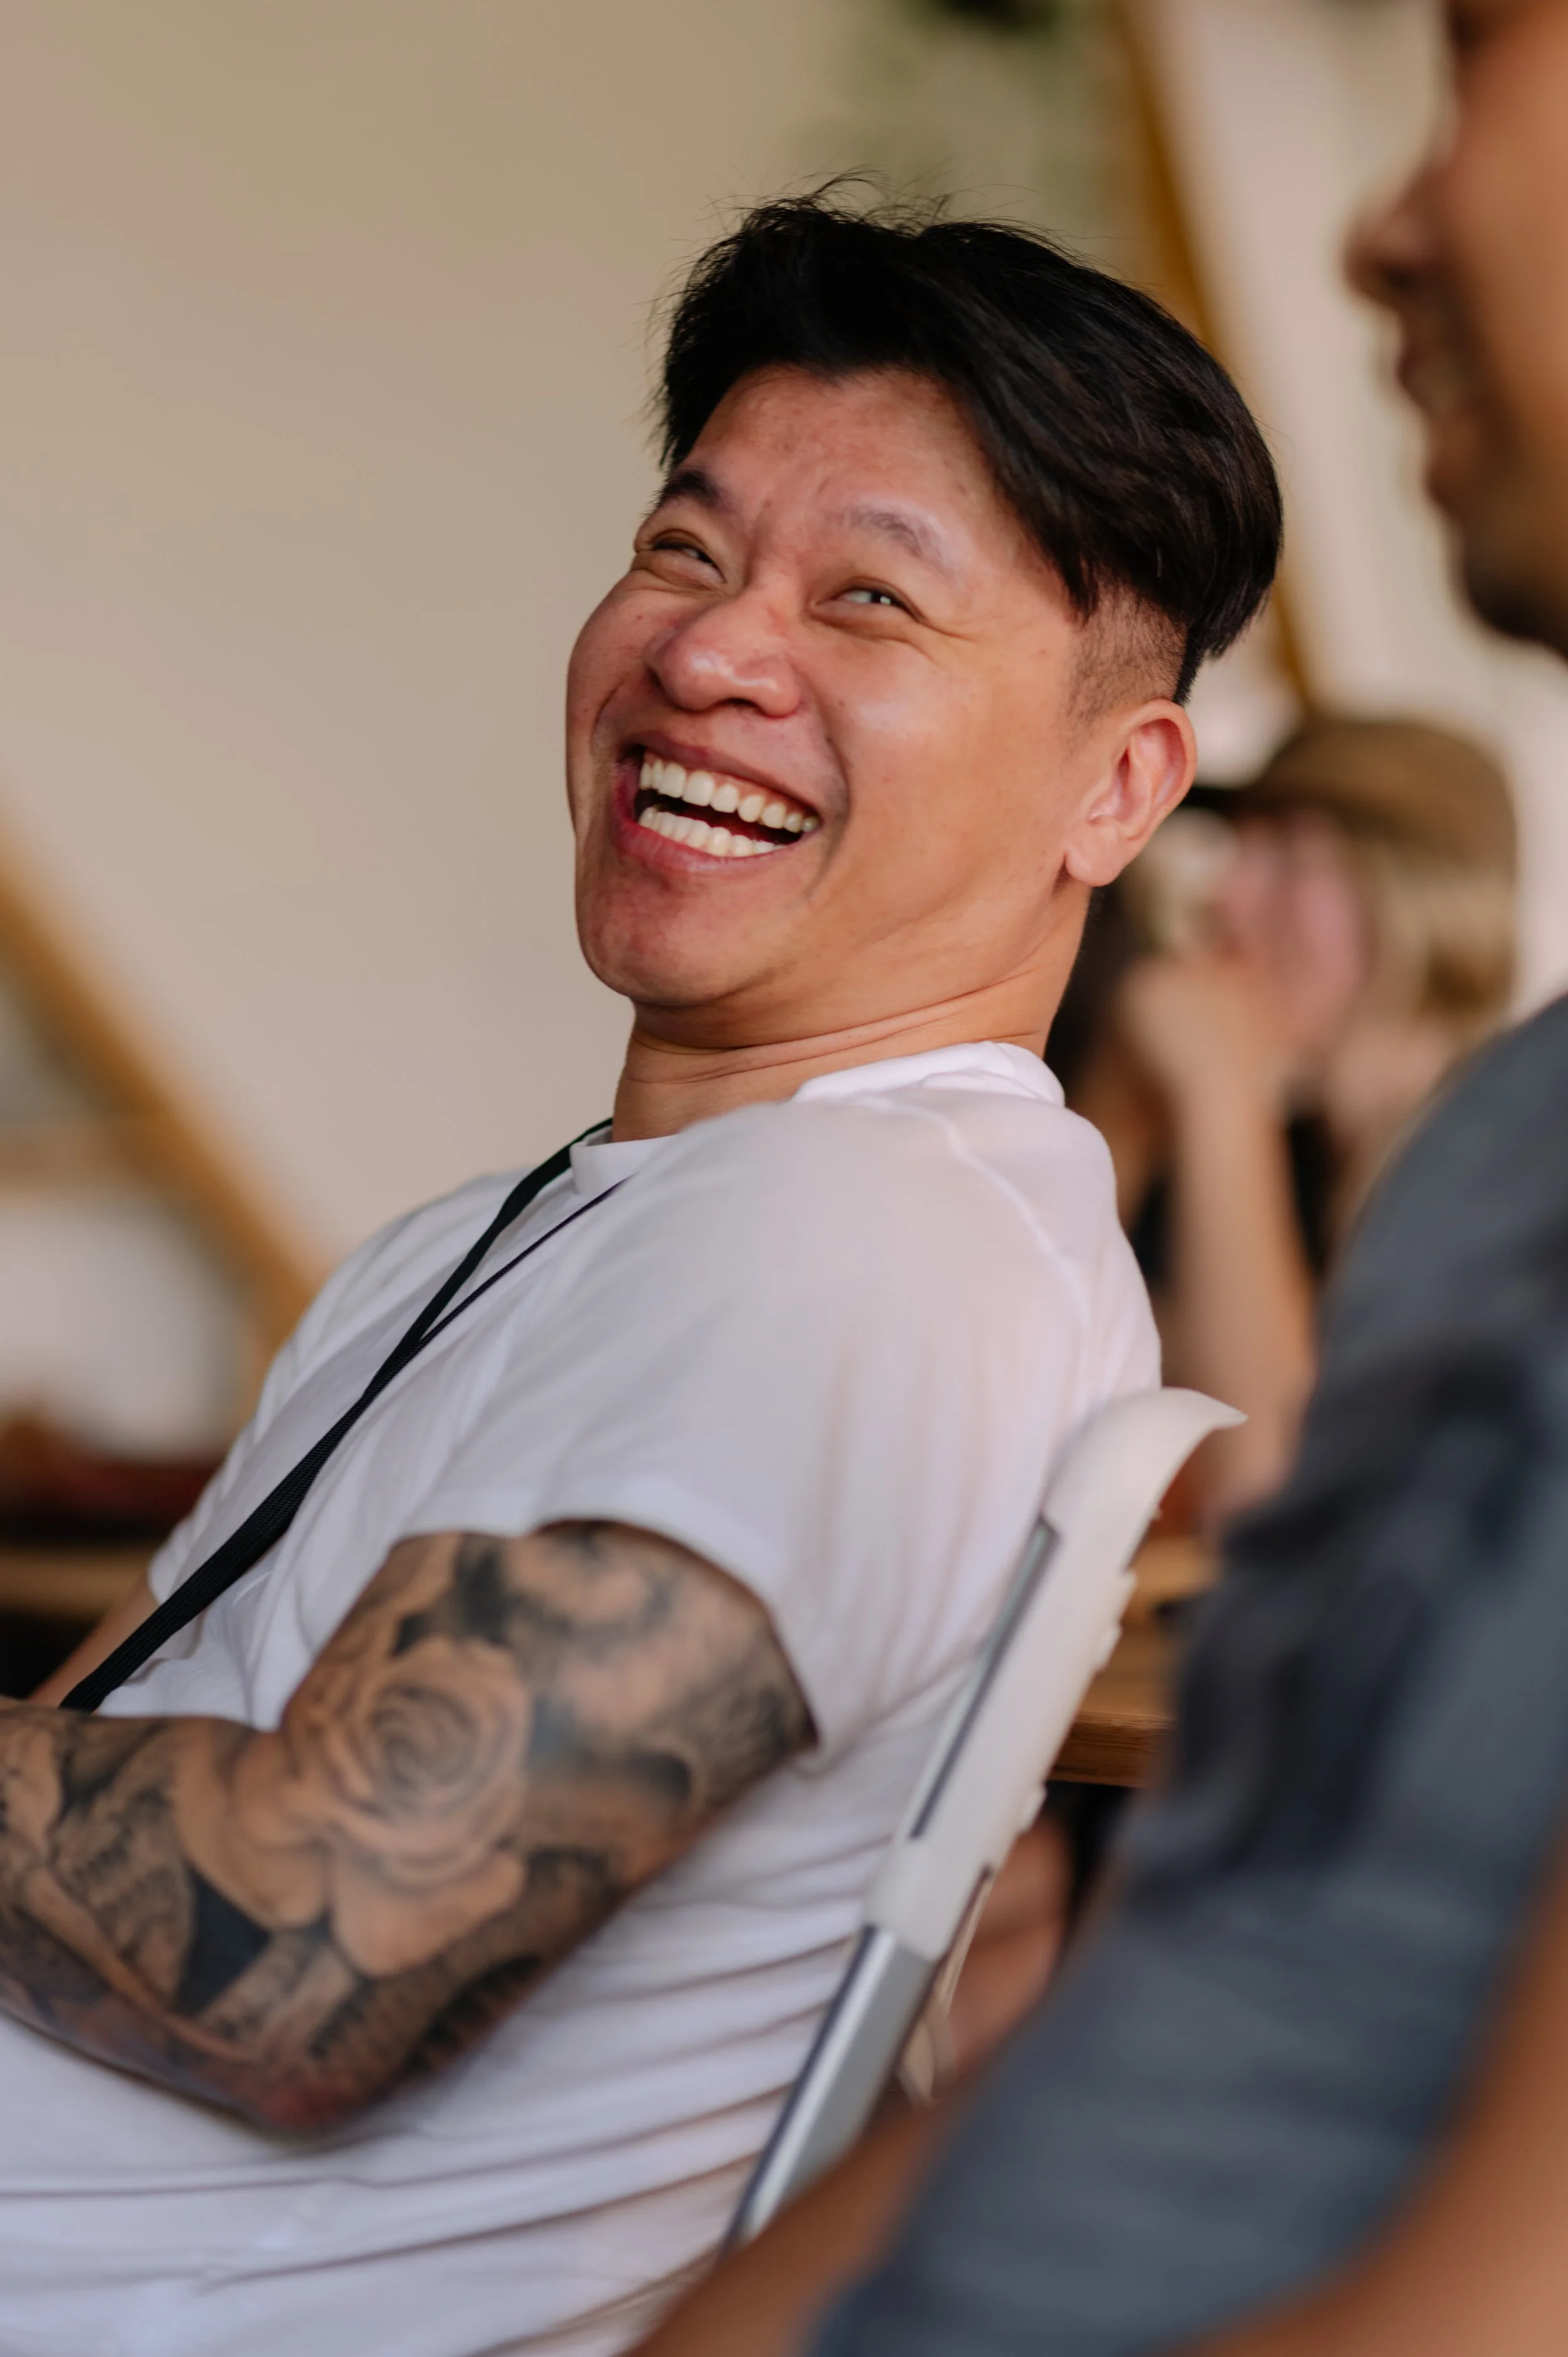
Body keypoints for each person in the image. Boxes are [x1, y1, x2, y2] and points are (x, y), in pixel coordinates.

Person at [0, 193, 1281, 2357]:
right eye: (687, 552)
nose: (709, 650)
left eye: (869, 596)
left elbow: (325, 1936)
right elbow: (102, 1748)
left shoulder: (872, 1240)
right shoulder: (542, 1226)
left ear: (1115, 787)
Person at [624, 4, 1568, 2349]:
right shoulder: (1512, 1147)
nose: (1386, 214)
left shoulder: (1289, 1163)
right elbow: (1184, 1973)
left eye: (1489, 68)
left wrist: (1224, 1111)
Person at [1075, 716, 1517, 1515]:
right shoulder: (1295, 1167)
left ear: (1420, 890)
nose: (1225, 897)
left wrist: (1218, 1090)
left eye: (1292, 856)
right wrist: (1121, 1102)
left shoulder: (1511, 1174)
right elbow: (1061, 1363)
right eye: (1240, 848)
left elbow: (1271, 1492)